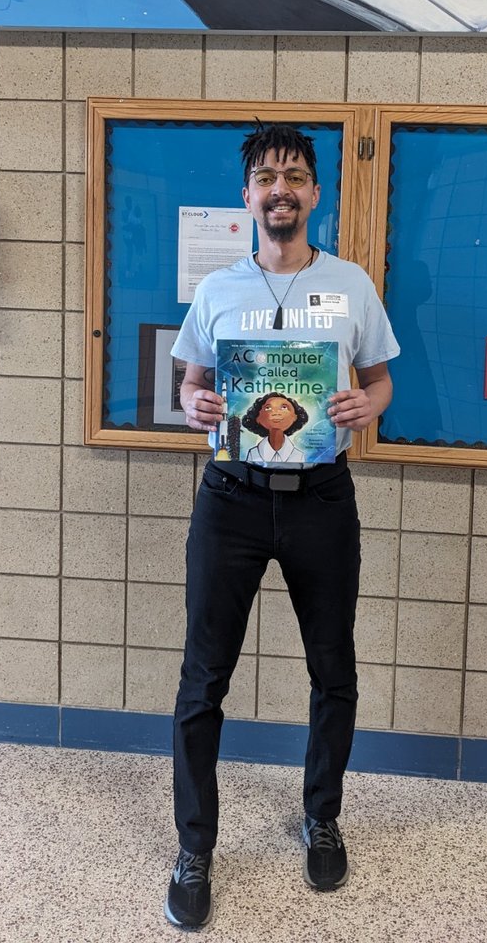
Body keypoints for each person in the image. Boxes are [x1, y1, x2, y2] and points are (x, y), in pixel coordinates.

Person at [165, 123, 400, 930]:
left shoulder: (350, 284)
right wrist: (194, 406)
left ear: (314, 193)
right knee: (204, 681)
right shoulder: (217, 289)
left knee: (333, 670)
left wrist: (365, 406)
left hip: (322, 500)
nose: (280, 189)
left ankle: (321, 817)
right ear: (246, 197)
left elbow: (378, 383)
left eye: (294, 175)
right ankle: (194, 847)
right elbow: (190, 387)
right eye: (265, 176)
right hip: (229, 498)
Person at [242, 392, 308, 464]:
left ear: (295, 416)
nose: (276, 412)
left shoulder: (298, 455)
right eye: (268, 408)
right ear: (257, 418)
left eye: (284, 407)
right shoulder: (253, 454)